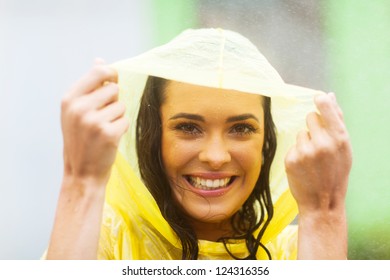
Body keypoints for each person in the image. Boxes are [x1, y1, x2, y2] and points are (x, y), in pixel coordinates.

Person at [46, 28, 352, 260]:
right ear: (154, 137)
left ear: (267, 142)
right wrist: (81, 181)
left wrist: (324, 212)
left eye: (242, 128)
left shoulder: (298, 252)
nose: (216, 157)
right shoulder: (105, 238)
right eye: (188, 127)